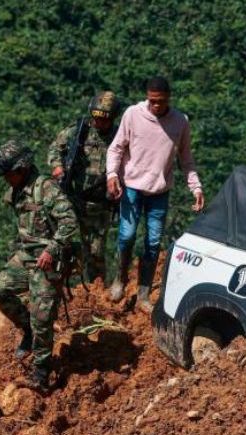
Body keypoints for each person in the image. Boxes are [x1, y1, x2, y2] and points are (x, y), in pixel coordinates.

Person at [106, 76, 205, 311]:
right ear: (146, 97)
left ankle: (143, 294)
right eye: (152, 101)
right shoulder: (133, 114)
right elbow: (117, 147)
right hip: (131, 186)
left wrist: (196, 187)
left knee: (152, 242)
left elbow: (186, 160)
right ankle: (120, 278)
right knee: (127, 235)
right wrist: (111, 174)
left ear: (168, 98)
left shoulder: (180, 122)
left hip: (159, 191)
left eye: (160, 101)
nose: (156, 106)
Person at [0, 141, 78, 390]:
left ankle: (41, 373)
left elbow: (70, 221)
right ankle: (27, 331)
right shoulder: (18, 189)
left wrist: (52, 248)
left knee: (42, 317)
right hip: (27, 255)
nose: (7, 178)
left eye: (10, 173)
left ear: (22, 168)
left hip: (48, 259)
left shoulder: (46, 189)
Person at [47, 91, 122, 285]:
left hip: (100, 205)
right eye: (96, 118)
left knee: (95, 253)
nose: (99, 123)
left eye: (104, 120)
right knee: (62, 247)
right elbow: (55, 148)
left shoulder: (119, 135)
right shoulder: (80, 129)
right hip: (74, 200)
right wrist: (57, 167)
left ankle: (95, 293)